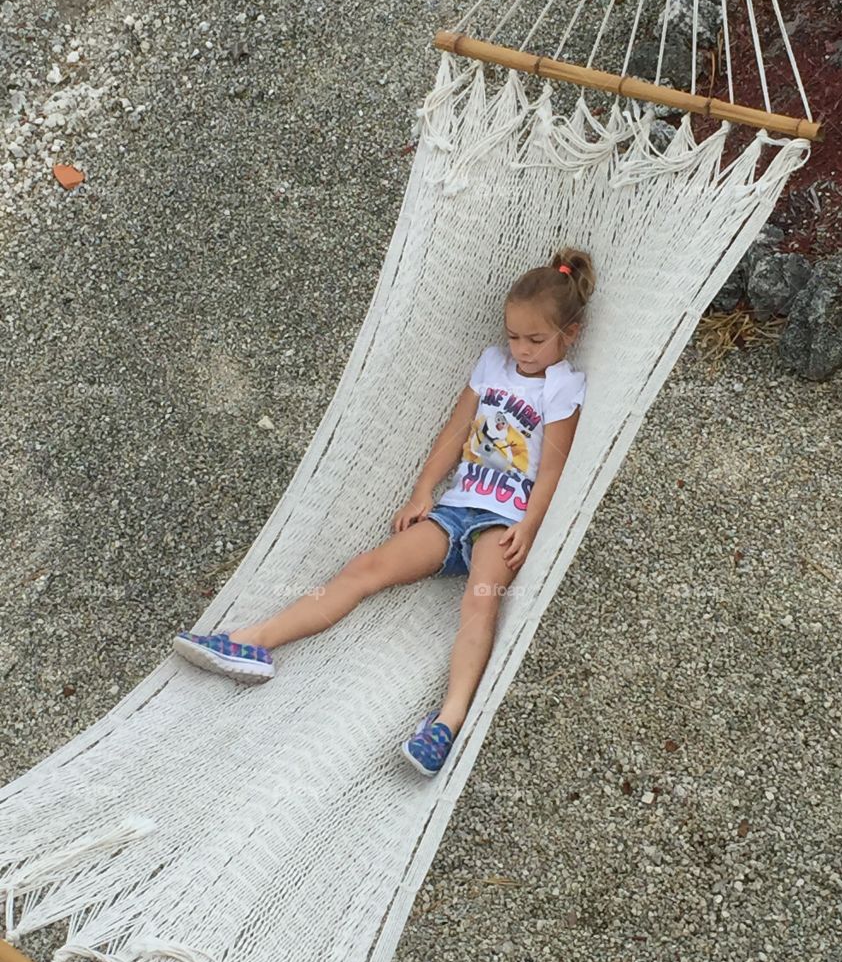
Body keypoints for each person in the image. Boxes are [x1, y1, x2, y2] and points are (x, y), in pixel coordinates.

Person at [173, 246, 593, 776]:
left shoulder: (563, 388)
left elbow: (553, 467)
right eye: (514, 336)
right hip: (455, 510)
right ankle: (253, 644)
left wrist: (529, 526)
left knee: (481, 602)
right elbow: (455, 431)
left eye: (536, 340)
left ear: (568, 335)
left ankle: (447, 722)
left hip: (503, 521)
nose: (522, 350)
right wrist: (423, 491)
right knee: (364, 569)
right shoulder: (492, 365)